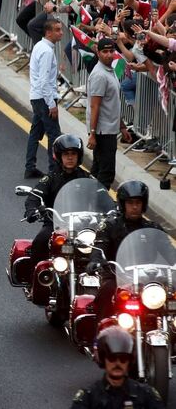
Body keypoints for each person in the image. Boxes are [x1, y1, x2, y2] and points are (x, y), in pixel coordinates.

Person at [88, 181, 166, 326]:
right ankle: (99, 333)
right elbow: (99, 247)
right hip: (117, 276)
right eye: (130, 203)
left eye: (138, 202)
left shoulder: (154, 228)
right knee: (107, 290)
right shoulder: (110, 226)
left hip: (148, 278)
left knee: (171, 298)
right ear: (123, 204)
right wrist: (96, 261)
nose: (135, 206)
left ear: (144, 204)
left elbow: (168, 252)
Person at [24, 134, 91, 267]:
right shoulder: (51, 178)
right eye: (66, 154)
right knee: (40, 240)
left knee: (101, 247)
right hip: (55, 224)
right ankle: (37, 278)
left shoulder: (88, 179)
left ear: (79, 156)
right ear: (59, 156)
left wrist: (113, 210)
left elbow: (101, 197)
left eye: (73, 154)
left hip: (82, 226)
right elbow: (34, 196)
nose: (70, 157)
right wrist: (33, 210)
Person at [71, 326, 164, 408]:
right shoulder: (88, 397)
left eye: (123, 359)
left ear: (129, 361)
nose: (117, 363)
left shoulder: (146, 395)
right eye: (112, 358)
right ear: (104, 359)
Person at [87, 38, 132, 189]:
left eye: (111, 51)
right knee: (106, 173)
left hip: (110, 128)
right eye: (105, 52)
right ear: (98, 53)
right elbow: (95, 106)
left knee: (98, 169)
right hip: (103, 131)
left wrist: (122, 126)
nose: (108, 55)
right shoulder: (100, 75)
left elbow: (111, 103)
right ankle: (98, 205)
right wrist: (92, 133)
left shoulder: (109, 71)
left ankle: (90, 202)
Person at [25, 18, 63, 178]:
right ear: (48, 32)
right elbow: (44, 80)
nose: (61, 33)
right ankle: (54, 170)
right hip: (44, 98)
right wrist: (51, 104)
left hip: (36, 96)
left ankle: (30, 166)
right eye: (58, 30)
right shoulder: (47, 51)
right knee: (54, 135)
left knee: (35, 133)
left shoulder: (40, 46)